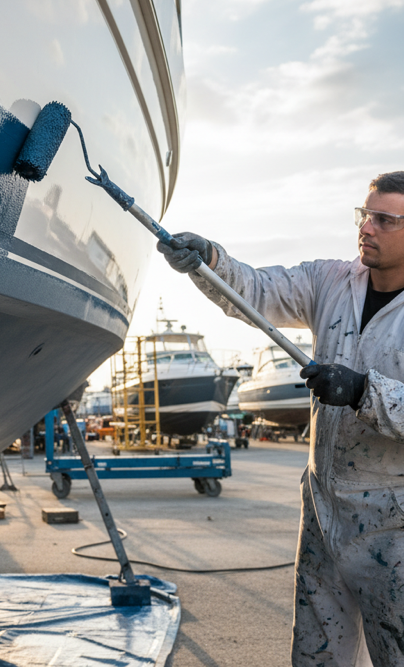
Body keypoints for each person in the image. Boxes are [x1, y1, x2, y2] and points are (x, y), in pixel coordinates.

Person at [157, 171, 404, 666]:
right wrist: (209, 261)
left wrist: (363, 391)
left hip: (393, 527)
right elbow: (257, 291)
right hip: (323, 514)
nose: (366, 228)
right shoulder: (331, 282)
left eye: (384, 219)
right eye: (364, 215)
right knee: (316, 655)